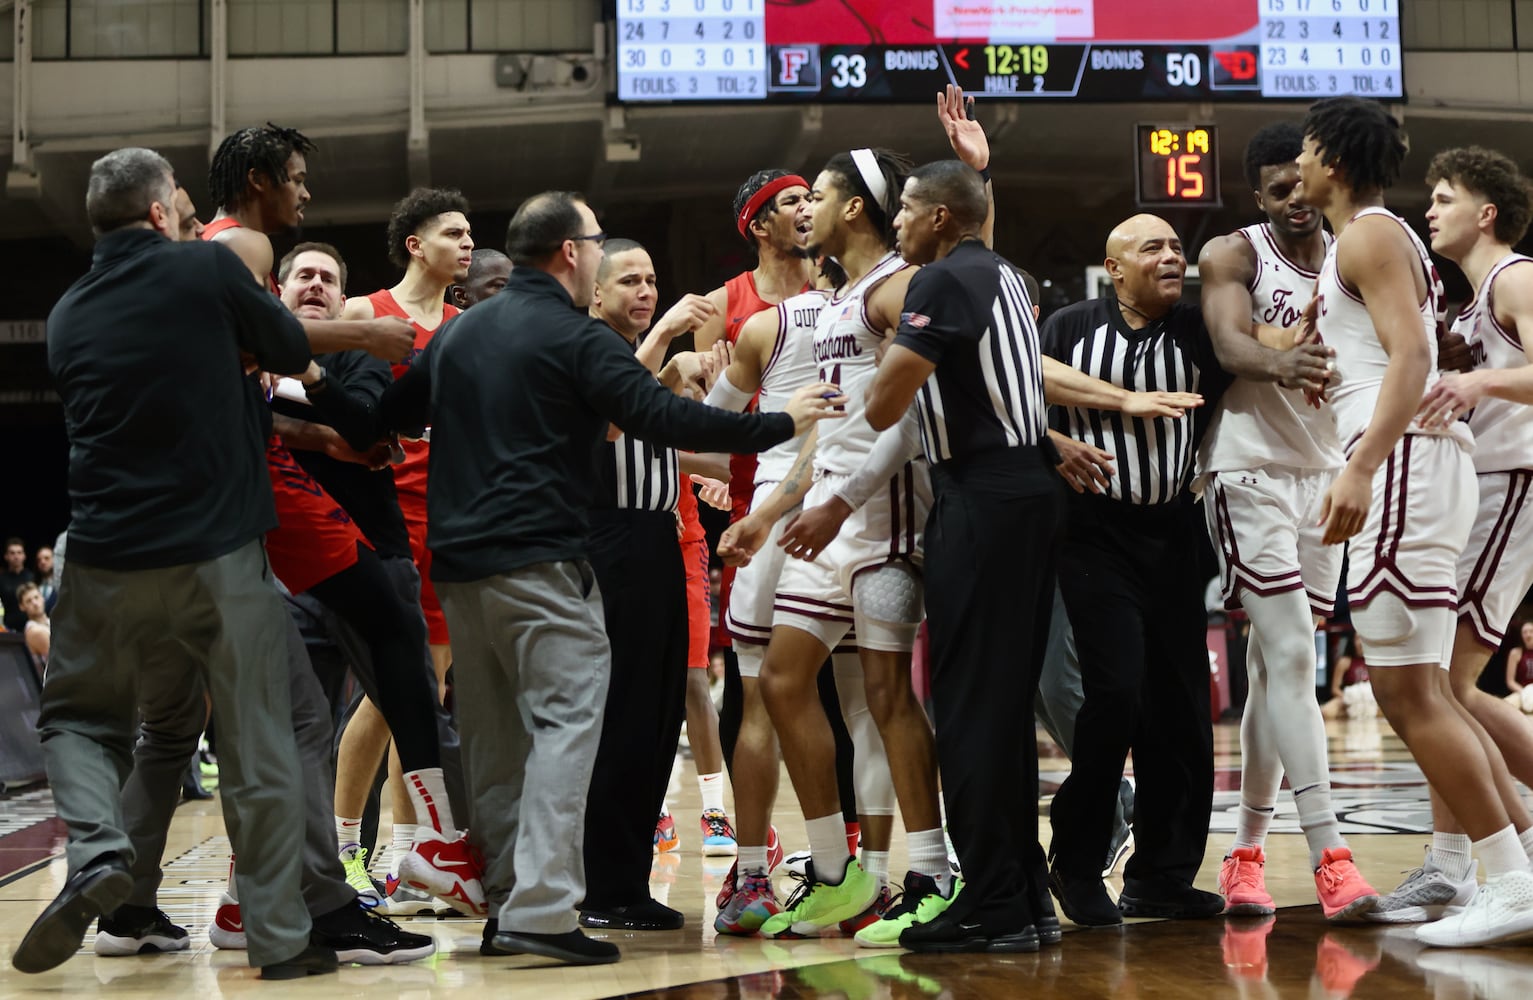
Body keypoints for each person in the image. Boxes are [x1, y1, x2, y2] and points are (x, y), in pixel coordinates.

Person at [378, 190, 847, 966]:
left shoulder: (462, 334)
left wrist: (327, 400)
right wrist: (778, 422)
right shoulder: (575, 338)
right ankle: (548, 909)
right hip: (547, 556)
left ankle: (508, 904)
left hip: (461, 567)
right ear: (572, 254)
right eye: (601, 250)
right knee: (572, 727)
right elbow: (663, 419)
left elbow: (392, 408)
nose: (613, 269)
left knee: (499, 746)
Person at [13, 146, 327, 979]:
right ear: (159, 214)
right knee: (257, 745)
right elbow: (290, 350)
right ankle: (280, 940)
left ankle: (98, 852)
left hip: (105, 558)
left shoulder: (67, 312)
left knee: (80, 720)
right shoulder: (207, 272)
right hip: (216, 550)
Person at [203, 138, 483, 918]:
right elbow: (322, 422)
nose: (318, 285)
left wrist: (317, 416)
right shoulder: (360, 322)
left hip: (381, 545)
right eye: (305, 277)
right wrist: (315, 427)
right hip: (283, 556)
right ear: (276, 291)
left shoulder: (352, 351)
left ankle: (403, 854)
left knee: (403, 701)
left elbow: (366, 431)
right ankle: (299, 872)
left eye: (329, 277)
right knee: (297, 726)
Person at [1296, 95, 1533, 948]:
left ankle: (1509, 878)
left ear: (1327, 154)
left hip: (1404, 465)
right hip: (1424, 462)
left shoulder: (1366, 233)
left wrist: (1358, 466)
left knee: (1411, 689)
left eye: (1305, 149)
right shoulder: (1367, 243)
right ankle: (1503, 869)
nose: (1299, 163)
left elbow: (1413, 357)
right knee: (1427, 689)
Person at [849, 154, 1057, 952]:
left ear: (940, 217)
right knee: (1001, 706)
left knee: (970, 707)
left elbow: (880, 407)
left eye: (904, 207)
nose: (893, 220)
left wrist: (871, 373)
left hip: (982, 496)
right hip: (1026, 490)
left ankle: (995, 902)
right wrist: (980, 169)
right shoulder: (1001, 272)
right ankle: (1024, 894)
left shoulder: (935, 283)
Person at [1195, 122, 1378, 922]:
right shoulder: (1233, 254)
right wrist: (1284, 358)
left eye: (1299, 187)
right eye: (1275, 192)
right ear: (1256, 195)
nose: (1293, 203)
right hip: (1247, 469)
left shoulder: (1357, 252)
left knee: (1275, 671)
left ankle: (1243, 856)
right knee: (1290, 655)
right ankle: (1330, 857)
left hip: (1324, 473)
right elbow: (1231, 342)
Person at [1043, 213, 1230, 927]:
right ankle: (1077, 860)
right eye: (1151, 247)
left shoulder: (1196, 331)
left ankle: (1161, 875)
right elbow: (1009, 393)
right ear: (1113, 267)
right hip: (1092, 534)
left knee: (1180, 711)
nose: (1171, 256)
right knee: (1114, 693)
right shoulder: (1068, 328)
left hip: (1175, 533)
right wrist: (1052, 441)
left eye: (1176, 247)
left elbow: (1246, 365)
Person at [1362, 144, 1533, 925]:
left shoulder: (1517, 277)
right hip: (1478, 490)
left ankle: (1494, 857)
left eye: (1442, 197)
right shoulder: (1466, 307)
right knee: (1437, 683)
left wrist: (1478, 380)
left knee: (1446, 687)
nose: (1427, 210)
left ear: (1484, 212)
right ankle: (1453, 862)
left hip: (1511, 486)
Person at [580, 237, 738, 930]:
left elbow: (680, 442)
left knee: (657, 713)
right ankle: (602, 884)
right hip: (608, 542)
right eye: (629, 281)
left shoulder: (642, 365)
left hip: (659, 539)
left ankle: (627, 881)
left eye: (652, 280)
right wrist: (671, 340)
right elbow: (604, 422)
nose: (645, 292)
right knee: (619, 717)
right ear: (594, 293)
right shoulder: (593, 350)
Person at [2, 537, 35, 632]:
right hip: (6, 629)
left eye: (19, 553)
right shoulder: (1, 579)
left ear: (24, 556)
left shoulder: (32, 578)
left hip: (31, 628)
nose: (16, 556)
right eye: (12, 553)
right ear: (6, 556)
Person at [16, 582, 49, 674]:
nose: (35, 603)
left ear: (42, 598)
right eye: (28, 601)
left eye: (36, 597)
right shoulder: (33, 631)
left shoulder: (52, 622)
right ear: (22, 607)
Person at [1506, 623, 1533, 713]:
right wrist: (1526, 693)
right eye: (1525, 632)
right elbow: (1510, 681)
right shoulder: (1515, 653)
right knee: (1506, 706)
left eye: (1531, 631)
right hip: (1521, 691)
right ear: (1521, 636)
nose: (1528, 634)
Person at [33, 547, 57, 612]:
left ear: (54, 560)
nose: (42, 562)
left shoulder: (63, 583)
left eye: (47, 558)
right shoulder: (33, 584)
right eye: (39, 560)